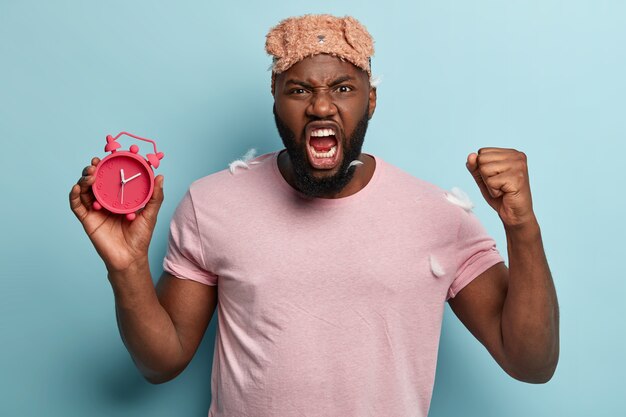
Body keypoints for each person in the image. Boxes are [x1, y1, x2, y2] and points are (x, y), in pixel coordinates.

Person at [69, 14, 559, 417]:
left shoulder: (438, 216)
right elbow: (162, 363)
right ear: (276, 100)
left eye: (343, 88)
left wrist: (522, 227)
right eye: (299, 90)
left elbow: (531, 362)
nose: (322, 105)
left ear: (371, 99)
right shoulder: (212, 203)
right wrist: (127, 268)